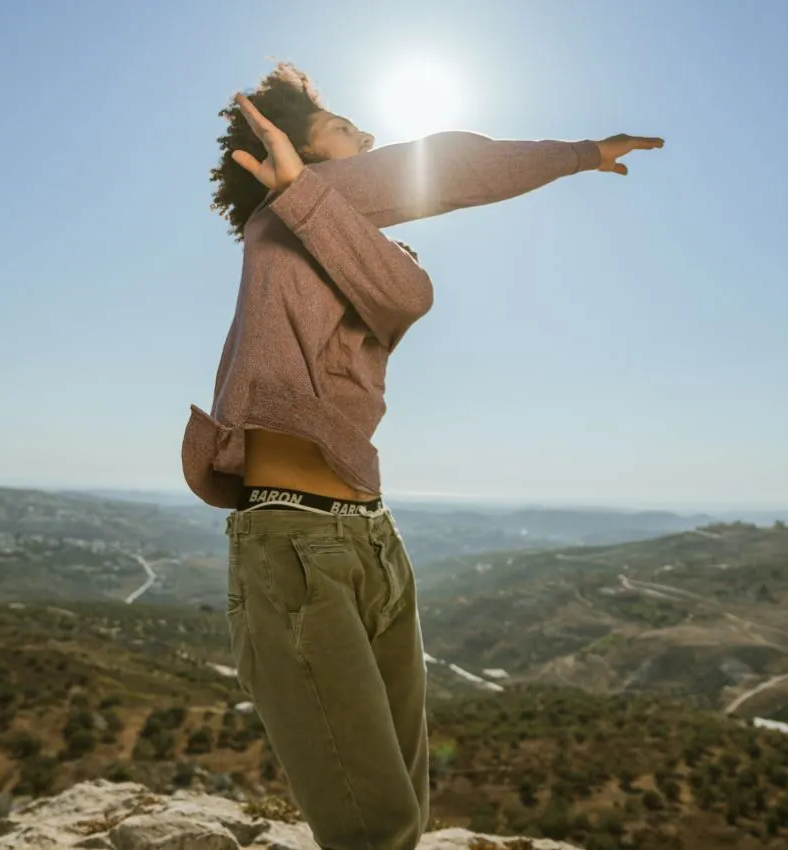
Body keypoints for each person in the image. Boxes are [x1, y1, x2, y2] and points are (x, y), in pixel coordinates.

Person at [184, 63, 661, 850]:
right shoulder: (282, 221)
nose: (368, 137)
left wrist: (310, 121)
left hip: (371, 538)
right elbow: (452, 163)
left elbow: (404, 288)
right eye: (344, 128)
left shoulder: (355, 245)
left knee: (403, 810)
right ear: (298, 158)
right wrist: (577, 153)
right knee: (376, 829)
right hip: (296, 550)